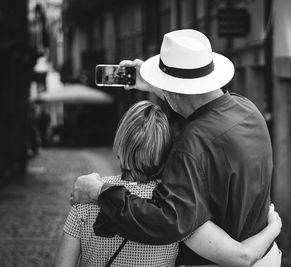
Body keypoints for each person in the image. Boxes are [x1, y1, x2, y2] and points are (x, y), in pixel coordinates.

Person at [71, 29, 276, 265]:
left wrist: (99, 191)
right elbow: (190, 99)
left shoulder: (191, 143)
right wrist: (156, 85)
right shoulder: (248, 110)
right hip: (265, 255)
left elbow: (166, 221)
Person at [56, 100, 281, 266]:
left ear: (120, 145)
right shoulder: (179, 211)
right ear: (166, 150)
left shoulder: (84, 200)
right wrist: (273, 227)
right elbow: (243, 257)